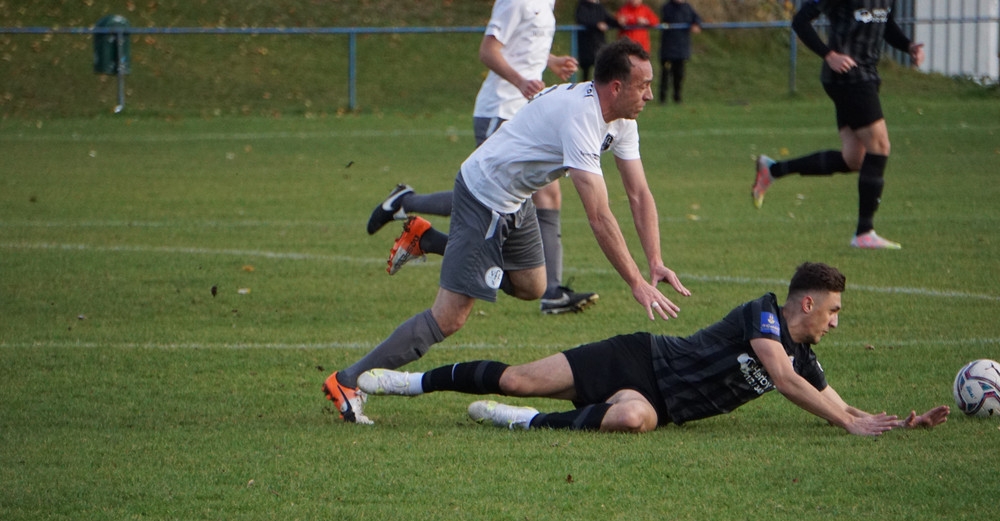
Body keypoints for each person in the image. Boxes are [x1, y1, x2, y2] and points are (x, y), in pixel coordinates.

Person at [326, 40, 691, 425]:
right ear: (616, 87)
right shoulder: (582, 118)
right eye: (643, 85)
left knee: (533, 286)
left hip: (517, 199)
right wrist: (635, 282)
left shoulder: (621, 121)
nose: (650, 95)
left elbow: (638, 194)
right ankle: (348, 381)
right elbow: (599, 216)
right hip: (484, 196)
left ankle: (426, 238)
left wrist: (655, 261)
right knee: (448, 318)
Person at [357, 262, 950, 434]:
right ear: (808, 303)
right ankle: (404, 381)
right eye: (834, 311)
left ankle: (521, 422)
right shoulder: (763, 314)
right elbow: (786, 380)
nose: (836, 322)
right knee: (516, 376)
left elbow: (837, 403)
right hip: (639, 357)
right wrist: (847, 423)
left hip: (661, 404)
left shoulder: (804, 357)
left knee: (633, 420)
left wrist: (890, 423)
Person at [366, 0, 596, 316]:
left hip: (527, 113)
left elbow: (522, 46)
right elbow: (488, 51)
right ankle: (406, 203)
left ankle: (552, 291)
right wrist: (520, 81)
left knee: (547, 195)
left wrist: (552, 61)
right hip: (500, 110)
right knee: (482, 196)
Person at [751, 0, 925, 250]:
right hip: (848, 77)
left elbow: (884, 22)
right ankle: (864, 232)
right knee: (880, 146)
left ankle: (773, 169)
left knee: (854, 159)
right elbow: (800, 21)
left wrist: (908, 46)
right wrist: (829, 55)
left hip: (867, 74)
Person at [658, 0, 702, 104]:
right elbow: (665, 19)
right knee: (666, 74)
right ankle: (663, 98)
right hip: (668, 48)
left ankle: (677, 97)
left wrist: (696, 24)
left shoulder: (687, 7)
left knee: (679, 75)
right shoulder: (667, 7)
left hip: (681, 48)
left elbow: (696, 18)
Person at [575, 0, 620, 81]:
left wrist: (618, 22)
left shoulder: (599, 7)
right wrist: (596, 25)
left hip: (599, 42)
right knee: (586, 69)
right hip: (586, 43)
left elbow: (608, 19)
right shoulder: (582, 6)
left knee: (602, 65)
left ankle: (601, 84)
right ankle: (585, 86)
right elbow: (582, 19)